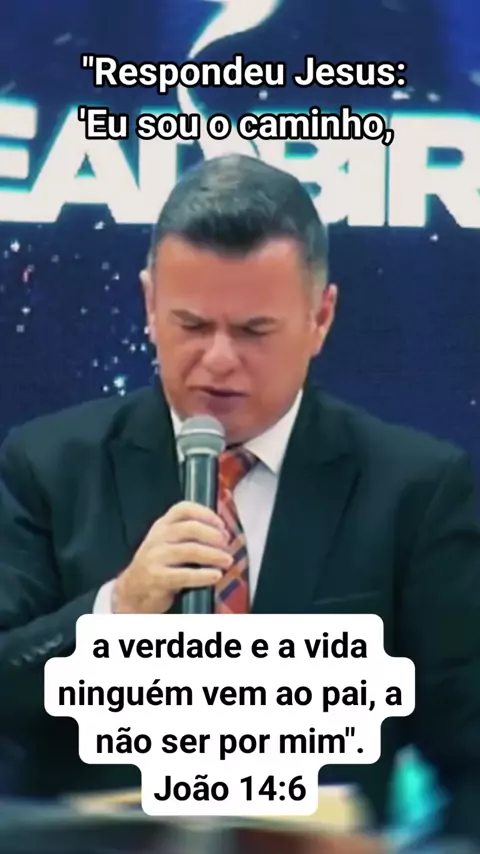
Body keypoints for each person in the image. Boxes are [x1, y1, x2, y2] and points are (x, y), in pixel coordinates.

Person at [0, 154, 479, 844]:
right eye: (192, 325)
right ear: (149, 305)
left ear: (320, 317)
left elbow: (470, 755)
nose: (219, 359)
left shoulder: (413, 489)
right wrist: (116, 612)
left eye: (254, 331)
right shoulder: (48, 465)